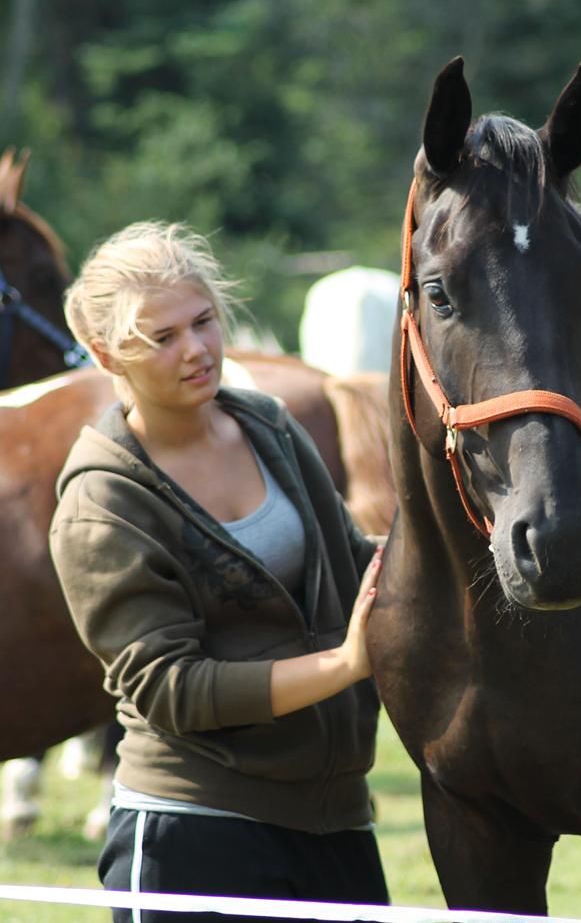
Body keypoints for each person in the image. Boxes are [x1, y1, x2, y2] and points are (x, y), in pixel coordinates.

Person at [48, 221, 389, 922]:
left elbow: (355, 563)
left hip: (335, 820)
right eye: (161, 337)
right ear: (105, 352)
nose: (197, 350)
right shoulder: (101, 501)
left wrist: (483, 560)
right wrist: (345, 665)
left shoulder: (269, 425)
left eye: (203, 321)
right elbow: (171, 687)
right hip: (192, 833)